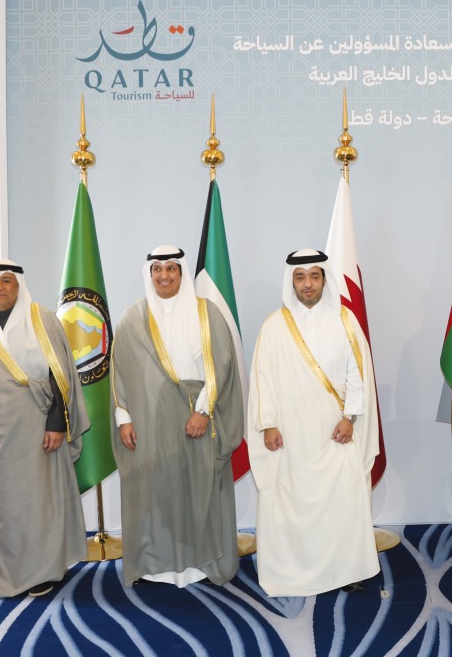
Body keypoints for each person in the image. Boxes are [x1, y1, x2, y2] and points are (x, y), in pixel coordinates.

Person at [0, 260, 89, 598]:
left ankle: (42, 571)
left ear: (19, 285)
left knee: (35, 504)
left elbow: (61, 377)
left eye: (6, 280)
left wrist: (57, 423)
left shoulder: (42, 320)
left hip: (35, 432)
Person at [247, 250, 380, 596]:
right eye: (300, 277)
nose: (307, 284)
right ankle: (291, 573)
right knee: (290, 500)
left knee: (341, 500)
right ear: (291, 280)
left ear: (324, 279)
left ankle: (346, 570)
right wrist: (268, 424)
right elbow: (263, 379)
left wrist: (350, 417)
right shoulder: (274, 325)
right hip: (289, 436)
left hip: (335, 431)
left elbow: (358, 375)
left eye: (314, 276)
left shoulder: (345, 321)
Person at [111, 245, 244, 587]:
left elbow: (221, 365)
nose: (164, 275)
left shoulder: (206, 313)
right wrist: (123, 418)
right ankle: (155, 564)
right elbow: (119, 372)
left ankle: (198, 564)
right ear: (150, 274)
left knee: (197, 492)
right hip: (149, 422)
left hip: (195, 419)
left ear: (182, 273)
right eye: (158, 269)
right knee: (154, 491)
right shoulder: (132, 318)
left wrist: (203, 411)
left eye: (171, 269)